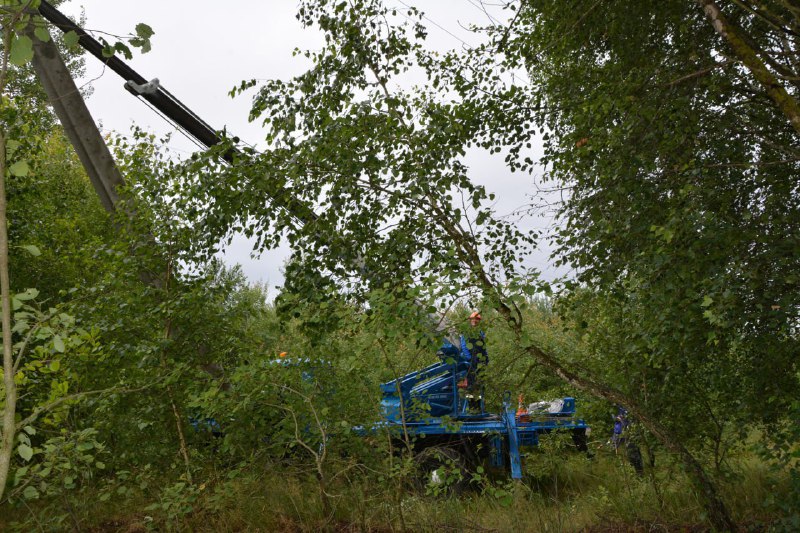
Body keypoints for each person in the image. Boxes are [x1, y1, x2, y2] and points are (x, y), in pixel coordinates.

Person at [460, 312, 488, 409]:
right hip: (471, 361)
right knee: (471, 384)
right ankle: (472, 407)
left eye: (476, 319)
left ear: (479, 321)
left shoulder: (481, 333)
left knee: (480, 383)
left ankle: (480, 407)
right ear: (470, 320)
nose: (474, 321)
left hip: (481, 361)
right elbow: (463, 346)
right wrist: (469, 358)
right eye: (473, 319)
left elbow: (484, 347)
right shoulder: (466, 332)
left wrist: (486, 358)